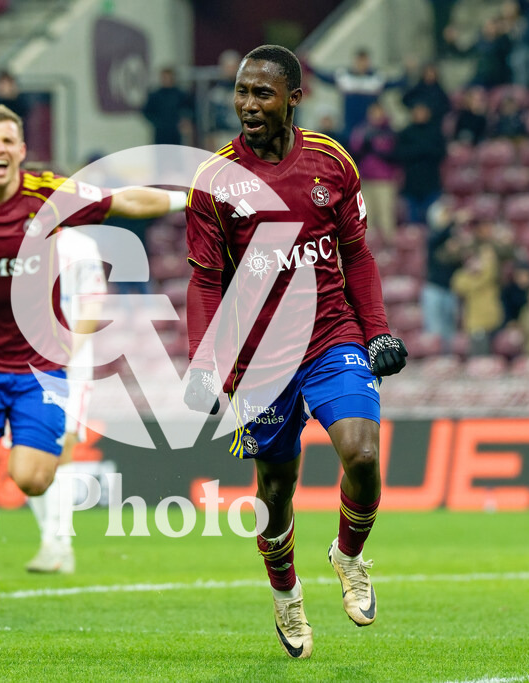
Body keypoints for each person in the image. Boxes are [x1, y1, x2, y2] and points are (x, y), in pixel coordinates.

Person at [182, 45, 407, 660]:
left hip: (332, 336)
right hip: (259, 359)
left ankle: (350, 554)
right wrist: (204, 363)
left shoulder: (331, 161)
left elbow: (357, 255)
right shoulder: (213, 181)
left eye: (263, 93)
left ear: (294, 98)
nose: (248, 105)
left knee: (361, 453)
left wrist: (379, 328)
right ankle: (286, 592)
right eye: (242, 92)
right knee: (276, 491)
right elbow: (205, 281)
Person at [0, 104, 184, 612]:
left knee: (32, 477)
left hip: (40, 365)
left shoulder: (49, 196)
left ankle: (53, 538)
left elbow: (125, 200)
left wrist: (189, 197)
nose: (0, 150)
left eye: (9, 141)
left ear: (22, 151)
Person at [25, 228, 107, 574]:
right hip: (24, 361)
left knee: (64, 447)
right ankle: (51, 542)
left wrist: (68, 350)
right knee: (28, 452)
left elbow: (94, 303)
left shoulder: (81, 245)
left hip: (72, 363)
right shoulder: (21, 239)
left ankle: (60, 544)